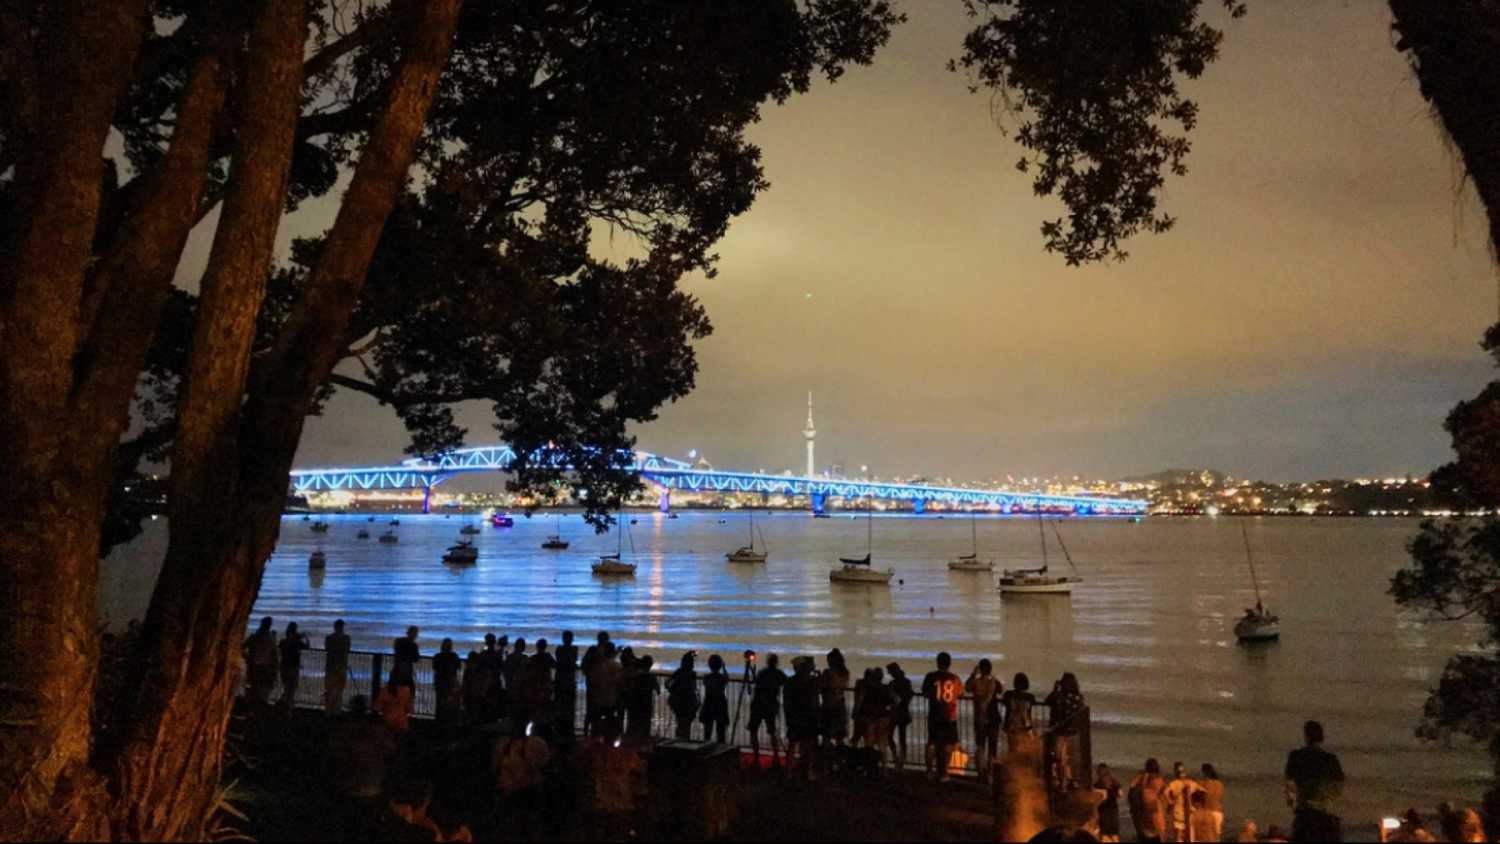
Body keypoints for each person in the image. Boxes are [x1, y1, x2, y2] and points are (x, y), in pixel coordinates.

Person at [1283, 720, 1344, 842]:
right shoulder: (1330, 760)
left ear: (1306, 737)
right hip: (1323, 814)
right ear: (1321, 737)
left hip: (1304, 814)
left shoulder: (1296, 757)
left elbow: (1289, 786)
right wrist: (1327, 802)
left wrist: (1292, 804)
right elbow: (1338, 787)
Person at [922, 651, 964, 782]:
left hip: (934, 714)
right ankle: (944, 773)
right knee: (948, 746)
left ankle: (929, 771)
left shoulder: (931, 676)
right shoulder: (955, 678)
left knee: (932, 743)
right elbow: (960, 693)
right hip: (950, 716)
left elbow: (925, 692)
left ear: (937, 662)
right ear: (949, 664)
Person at [1044, 672, 1087, 790]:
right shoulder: (1078, 697)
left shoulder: (1059, 696)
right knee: (1067, 759)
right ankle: (1067, 781)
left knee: (1059, 758)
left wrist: (1055, 689)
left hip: (1060, 732)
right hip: (1072, 734)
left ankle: (1061, 782)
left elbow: (1047, 701)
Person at [784, 656, 821, 779]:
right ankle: (808, 770)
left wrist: (788, 717)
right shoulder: (813, 682)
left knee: (793, 744)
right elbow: (815, 701)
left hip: (795, 717)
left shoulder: (790, 682)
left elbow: (786, 702)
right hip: (809, 717)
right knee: (809, 745)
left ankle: (789, 771)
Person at [965, 659, 1001, 781]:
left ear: (980, 669)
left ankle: (980, 772)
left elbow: (967, 687)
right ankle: (991, 774)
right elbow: (1001, 690)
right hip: (993, 718)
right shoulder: (994, 682)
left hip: (979, 718)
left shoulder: (976, 682)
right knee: (992, 747)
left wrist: (973, 674)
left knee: (980, 746)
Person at [748, 653, 786, 767]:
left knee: (753, 730)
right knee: (772, 732)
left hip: (758, 705)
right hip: (770, 706)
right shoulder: (779, 674)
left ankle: (755, 757)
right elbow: (786, 683)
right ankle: (776, 756)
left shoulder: (762, 673)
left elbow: (757, 688)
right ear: (776, 662)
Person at [586, 641, 623, 737]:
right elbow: (619, 681)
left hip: (598, 699)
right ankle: (608, 740)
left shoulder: (597, 666)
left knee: (596, 723)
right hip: (610, 699)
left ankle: (594, 740)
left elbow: (592, 679)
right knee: (609, 722)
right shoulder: (615, 666)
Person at [818, 649, 851, 756]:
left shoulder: (828, 672)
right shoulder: (845, 673)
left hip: (828, 707)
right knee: (839, 737)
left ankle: (826, 762)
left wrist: (818, 678)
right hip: (840, 706)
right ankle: (839, 762)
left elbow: (821, 687)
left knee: (826, 736)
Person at [1128, 758, 1167, 843]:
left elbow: (1132, 787)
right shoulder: (1159, 779)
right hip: (1155, 811)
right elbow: (1163, 792)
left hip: (1145, 814)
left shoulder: (1143, 780)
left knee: (1146, 832)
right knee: (1157, 832)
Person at [1162, 761, 1201, 843]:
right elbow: (1202, 791)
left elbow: (1165, 792)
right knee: (1188, 838)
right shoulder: (1190, 783)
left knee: (1178, 838)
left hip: (1179, 814)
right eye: (1181, 772)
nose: (1182, 774)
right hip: (1187, 814)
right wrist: (1196, 806)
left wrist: (1170, 802)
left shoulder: (1174, 783)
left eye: (1182, 772)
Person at [243, 617, 278, 707]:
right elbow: (274, 655)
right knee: (262, 690)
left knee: (252, 688)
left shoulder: (254, 637)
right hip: (264, 667)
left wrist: (247, 658)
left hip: (254, 666)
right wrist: (274, 670)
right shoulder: (270, 639)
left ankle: (250, 706)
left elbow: (242, 647)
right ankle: (258, 707)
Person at [581, 631, 610, 736]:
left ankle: (588, 733)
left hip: (592, 683)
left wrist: (588, 675)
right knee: (598, 710)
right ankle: (597, 732)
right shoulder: (604, 651)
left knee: (591, 710)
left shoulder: (592, 650)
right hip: (599, 685)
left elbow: (584, 664)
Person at [666, 651, 700, 740]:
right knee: (686, 726)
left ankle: (678, 741)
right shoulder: (692, 674)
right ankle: (685, 741)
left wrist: (671, 690)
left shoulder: (678, 672)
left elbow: (668, 683)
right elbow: (693, 688)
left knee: (680, 723)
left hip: (678, 703)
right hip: (689, 703)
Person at [886, 662, 914, 769]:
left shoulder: (893, 684)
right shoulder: (906, 682)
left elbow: (893, 698)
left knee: (890, 735)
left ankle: (896, 757)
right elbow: (909, 696)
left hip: (896, 712)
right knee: (902, 737)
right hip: (902, 712)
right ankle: (902, 759)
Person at [1001, 672, 1037, 754]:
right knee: (1023, 750)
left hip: (1011, 725)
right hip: (1024, 726)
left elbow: (1004, 700)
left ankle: (1012, 765)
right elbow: (1033, 703)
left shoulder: (1008, 694)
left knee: (1012, 749)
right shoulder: (1030, 697)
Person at [277, 621, 309, 711]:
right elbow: (307, 646)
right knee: (292, 688)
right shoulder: (297, 643)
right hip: (294, 667)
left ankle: (285, 705)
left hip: (284, 667)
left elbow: (280, 650)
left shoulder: (283, 642)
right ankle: (287, 706)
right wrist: (305, 637)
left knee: (287, 687)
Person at [625, 654, 658, 739]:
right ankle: (643, 740)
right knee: (645, 724)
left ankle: (632, 740)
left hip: (634, 702)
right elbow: (658, 690)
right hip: (646, 703)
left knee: (633, 724)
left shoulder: (634, 676)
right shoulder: (652, 677)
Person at [699, 654, 730, 743]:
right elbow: (727, 678)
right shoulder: (722, 678)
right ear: (720, 665)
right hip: (720, 704)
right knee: (721, 732)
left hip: (709, 704)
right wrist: (724, 668)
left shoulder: (706, 677)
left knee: (707, 731)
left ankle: (706, 750)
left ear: (709, 665)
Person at [323, 619, 351, 715]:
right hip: (341, 667)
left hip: (330, 667)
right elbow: (347, 650)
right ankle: (336, 711)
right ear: (342, 627)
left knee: (329, 690)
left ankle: (328, 711)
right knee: (339, 690)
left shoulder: (329, 638)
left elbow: (326, 649)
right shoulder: (347, 638)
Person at [554, 630, 579, 736]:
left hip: (561, 680)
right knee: (568, 706)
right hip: (568, 680)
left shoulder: (560, 649)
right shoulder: (573, 649)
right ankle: (567, 728)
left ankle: (561, 728)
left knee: (561, 705)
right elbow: (572, 661)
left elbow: (561, 661)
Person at [433, 637, 462, 725]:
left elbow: (434, 667)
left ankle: (439, 722)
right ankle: (451, 723)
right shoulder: (454, 656)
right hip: (450, 683)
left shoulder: (437, 656)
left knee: (439, 704)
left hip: (440, 683)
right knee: (451, 704)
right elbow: (459, 667)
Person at [1093, 763, 1123, 843]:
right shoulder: (1115, 782)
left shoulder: (1097, 785)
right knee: (1114, 835)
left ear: (1098, 773)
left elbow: (1100, 800)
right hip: (1113, 812)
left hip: (1104, 812)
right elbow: (1120, 794)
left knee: (1104, 836)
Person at [1199, 763, 1225, 842]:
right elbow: (1220, 797)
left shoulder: (1204, 783)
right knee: (1217, 838)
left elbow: (1200, 797)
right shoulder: (1219, 784)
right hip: (1218, 812)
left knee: (1207, 838)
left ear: (1204, 772)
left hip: (1208, 812)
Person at [391, 626, 420, 690]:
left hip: (397, 669)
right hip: (406, 672)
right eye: (416, 634)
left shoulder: (399, 642)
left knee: (395, 690)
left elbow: (396, 652)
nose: (416, 635)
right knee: (410, 691)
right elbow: (416, 659)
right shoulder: (413, 645)